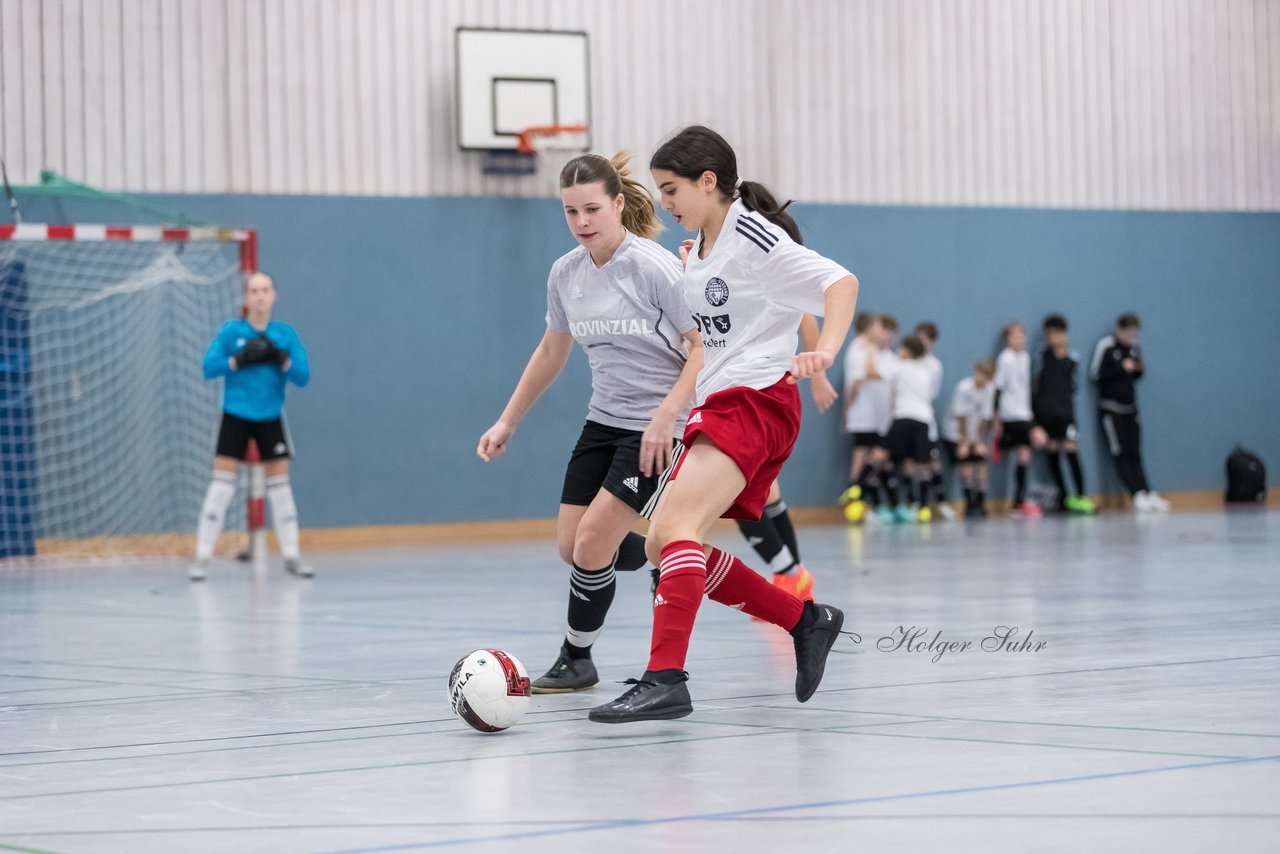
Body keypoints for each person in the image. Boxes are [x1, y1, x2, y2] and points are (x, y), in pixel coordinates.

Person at [589, 126, 859, 724]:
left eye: (672, 189)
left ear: (709, 182)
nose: (665, 203)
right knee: (663, 541)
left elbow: (839, 283)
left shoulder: (754, 237)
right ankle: (806, 620)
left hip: (756, 400)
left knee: (676, 526)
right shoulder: (704, 248)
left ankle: (666, 679)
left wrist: (826, 353)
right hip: (723, 403)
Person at [477, 151, 704, 694]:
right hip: (603, 421)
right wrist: (508, 420)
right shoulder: (565, 273)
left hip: (657, 426)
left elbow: (704, 347)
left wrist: (668, 414)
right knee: (573, 547)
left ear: (619, 204)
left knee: (590, 546)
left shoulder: (654, 267)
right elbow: (552, 351)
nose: (582, 222)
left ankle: (576, 659)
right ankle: (655, 543)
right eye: (571, 212)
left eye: (593, 209)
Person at [191, 272, 311, 581]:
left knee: (281, 492)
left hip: (270, 416)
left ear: (273, 295)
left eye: (265, 290)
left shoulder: (284, 334)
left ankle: (292, 555)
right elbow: (208, 367)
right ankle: (203, 556)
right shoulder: (232, 332)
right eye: (254, 290)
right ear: (246, 297)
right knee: (220, 487)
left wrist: (280, 359)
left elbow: (302, 376)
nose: (259, 296)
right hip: (235, 415)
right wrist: (236, 361)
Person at [1090, 313, 1168, 512]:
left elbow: (1136, 375)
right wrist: (1120, 368)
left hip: (1130, 408)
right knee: (1120, 453)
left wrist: (1137, 369)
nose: (1131, 336)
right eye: (1128, 332)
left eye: (1134, 333)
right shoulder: (1106, 346)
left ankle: (1147, 491)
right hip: (1110, 409)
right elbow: (1095, 374)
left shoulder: (1134, 348)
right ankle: (1135, 494)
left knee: (1135, 452)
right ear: (1119, 329)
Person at [870, 335, 937, 523]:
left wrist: (870, 352)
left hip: (904, 417)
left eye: (902, 348)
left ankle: (858, 488)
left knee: (880, 453)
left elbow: (873, 373)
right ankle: (922, 506)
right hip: (923, 420)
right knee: (921, 464)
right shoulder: (925, 370)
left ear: (907, 350)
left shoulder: (900, 366)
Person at [1033, 315, 1095, 514]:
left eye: (1058, 333)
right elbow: (1035, 383)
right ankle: (1063, 495)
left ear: (1065, 334)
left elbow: (1075, 387)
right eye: (1050, 334)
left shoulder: (1073, 359)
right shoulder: (1042, 356)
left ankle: (1081, 495)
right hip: (1046, 413)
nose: (1054, 338)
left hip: (1065, 413)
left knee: (1071, 450)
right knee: (1052, 450)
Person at [837, 313, 886, 523]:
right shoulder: (858, 349)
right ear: (869, 327)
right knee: (862, 455)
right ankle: (852, 492)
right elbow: (855, 383)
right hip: (862, 414)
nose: (881, 331)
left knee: (868, 456)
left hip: (872, 415)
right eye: (878, 326)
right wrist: (848, 410)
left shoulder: (869, 349)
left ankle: (859, 498)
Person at [992, 321, 1042, 517]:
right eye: (1015, 335)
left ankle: (1018, 502)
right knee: (1040, 438)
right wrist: (997, 419)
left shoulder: (1025, 358)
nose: (1020, 338)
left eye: (1022, 334)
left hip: (1025, 413)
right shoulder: (1005, 359)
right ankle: (1019, 501)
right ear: (1007, 339)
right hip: (1011, 414)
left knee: (1024, 455)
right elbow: (998, 388)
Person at [942, 360, 996, 517]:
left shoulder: (989, 391)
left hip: (974, 434)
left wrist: (979, 442)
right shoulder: (964, 388)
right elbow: (962, 417)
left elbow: (983, 419)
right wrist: (964, 442)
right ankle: (969, 504)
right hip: (955, 432)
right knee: (965, 467)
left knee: (980, 467)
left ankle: (980, 503)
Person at [914, 321, 953, 519]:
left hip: (925, 420)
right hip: (907, 419)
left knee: (934, 463)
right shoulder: (905, 360)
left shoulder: (934, 365)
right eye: (918, 337)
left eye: (925, 338)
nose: (921, 342)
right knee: (912, 464)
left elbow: (932, 393)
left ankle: (941, 502)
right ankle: (918, 505)